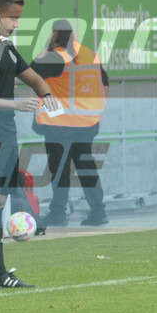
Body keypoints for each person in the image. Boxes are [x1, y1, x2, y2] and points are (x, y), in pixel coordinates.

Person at [0, 0, 61, 287]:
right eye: (14, 18)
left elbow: (30, 75)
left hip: (7, 133)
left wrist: (46, 93)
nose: (18, 24)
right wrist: (16, 104)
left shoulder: (3, 45)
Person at [31, 19, 109, 227]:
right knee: (86, 166)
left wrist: (46, 46)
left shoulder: (56, 56)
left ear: (54, 34)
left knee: (60, 169)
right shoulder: (90, 53)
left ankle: (58, 212)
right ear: (73, 34)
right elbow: (105, 82)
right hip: (87, 121)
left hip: (61, 124)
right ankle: (98, 211)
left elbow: (31, 71)